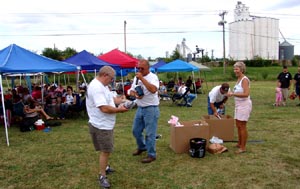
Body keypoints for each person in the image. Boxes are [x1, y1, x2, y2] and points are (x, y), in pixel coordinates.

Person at [86, 66, 128, 188]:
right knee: (105, 151)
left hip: (104, 124)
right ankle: (102, 175)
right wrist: (119, 110)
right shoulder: (96, 88)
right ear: (105, 75)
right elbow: (103, 108)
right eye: (111, 78)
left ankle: (106, 167)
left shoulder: (102, 86)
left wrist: (121, 100)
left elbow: (110, 98)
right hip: (101, 125)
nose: (112, 81)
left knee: (105, 150)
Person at [128, 59, 160, 163]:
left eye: (142, 68)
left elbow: (153, 90)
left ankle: (152, 154)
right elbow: (131, 90)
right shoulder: (136, 77)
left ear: (148, 68)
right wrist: (135, 94)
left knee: (150, 133)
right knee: (135, 130)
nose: (140, 70)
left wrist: (142, 78)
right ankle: (142, 147)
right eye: (138, 68)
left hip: (151, 108)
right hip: (140, 107)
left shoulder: (153, 77)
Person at [228, 62, 252, 154]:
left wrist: (233, 94)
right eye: (234, 69)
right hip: (238, 105)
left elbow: (246, 94)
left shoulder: (245, 80)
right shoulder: (238, 79)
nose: (235, 71)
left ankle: (243, 147)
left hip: (244, 105)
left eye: (237, 69)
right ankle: (239, 143)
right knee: (238, 125)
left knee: (242, 126)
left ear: (241, 69)